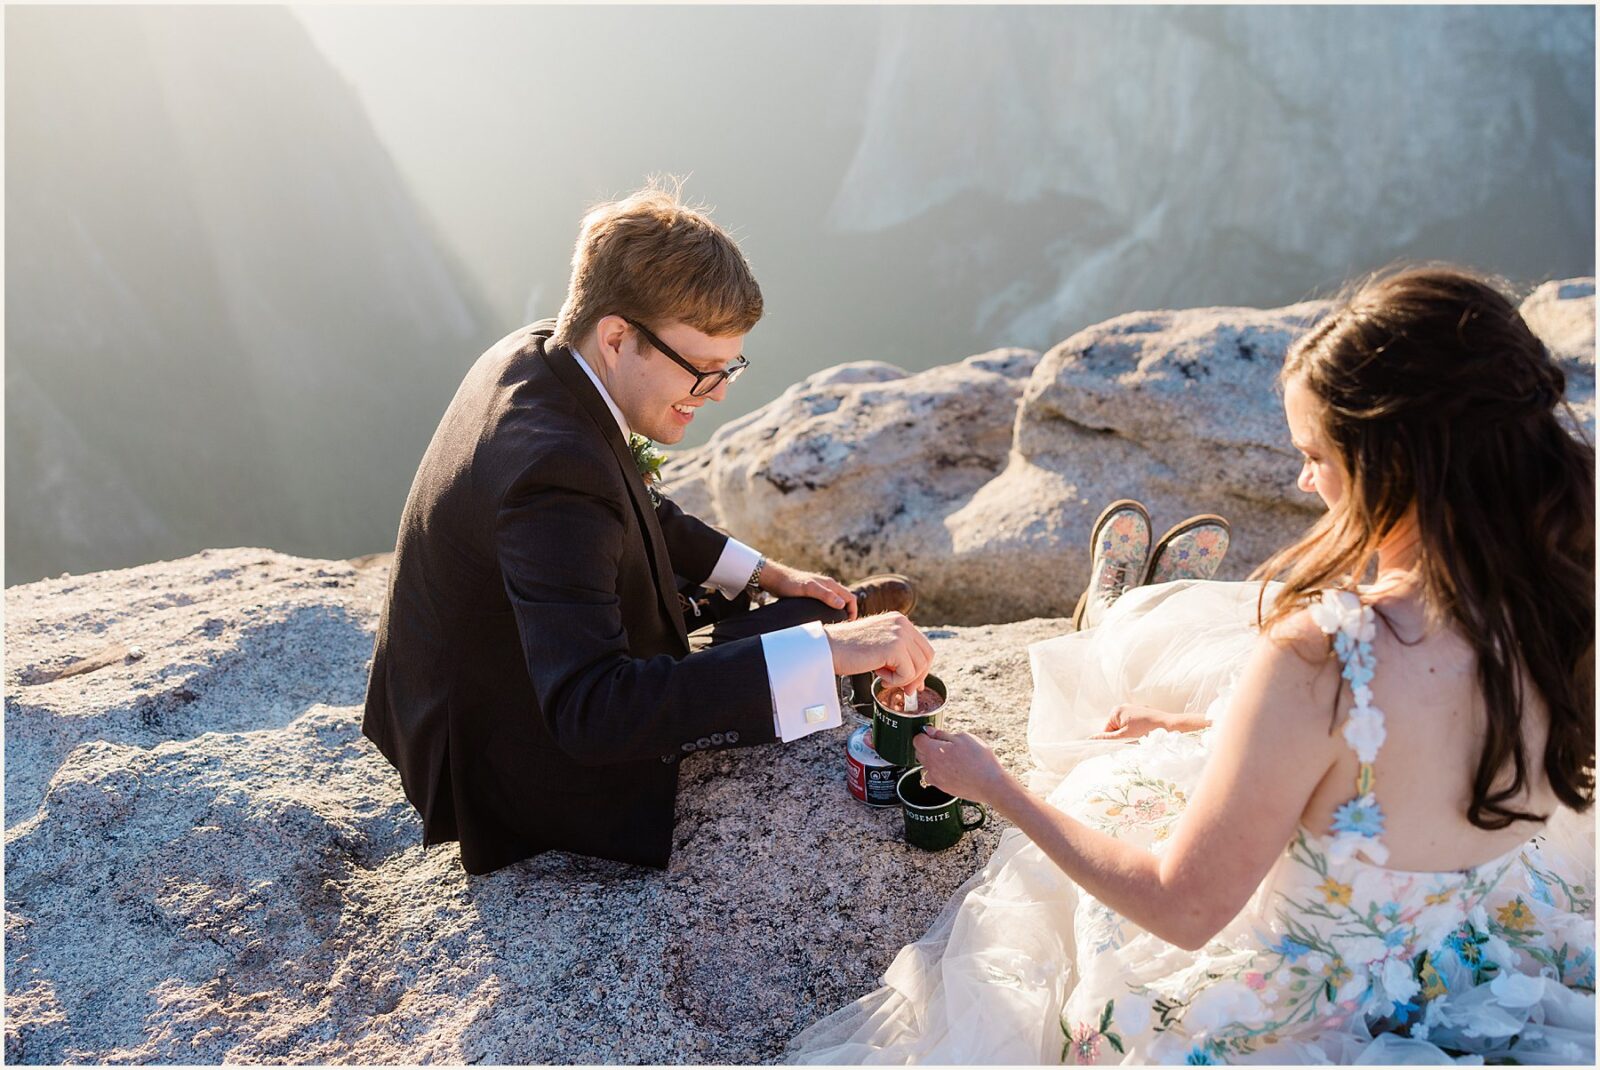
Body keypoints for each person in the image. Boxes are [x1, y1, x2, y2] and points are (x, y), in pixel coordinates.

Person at [788, 266, 1595, 1063]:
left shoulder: (1324, 655)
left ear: (1396, 465)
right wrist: (1199, 725)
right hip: (1495, 977)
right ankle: (1120, 626)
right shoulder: (1571, 591)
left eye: (1315, 454)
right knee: (1181, 716)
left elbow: (1183, 910)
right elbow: (1412, 754)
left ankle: (1109, 623)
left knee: (1107, 795)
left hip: (1308, 1017)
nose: (1303, 480)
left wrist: (997, 788)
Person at [362, 180, 930, 876]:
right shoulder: (553, 472)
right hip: (499, 755)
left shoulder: (542, 356)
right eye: (703, 369)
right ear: (617, 337)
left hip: (506, 658)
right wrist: (828, 655)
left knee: (788, 621)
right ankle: (823, 641)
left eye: (730, 367)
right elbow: (593, 712)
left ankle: (809, 623)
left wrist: (761, 572)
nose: (720, 391)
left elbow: (632, 504)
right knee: (784, 667)